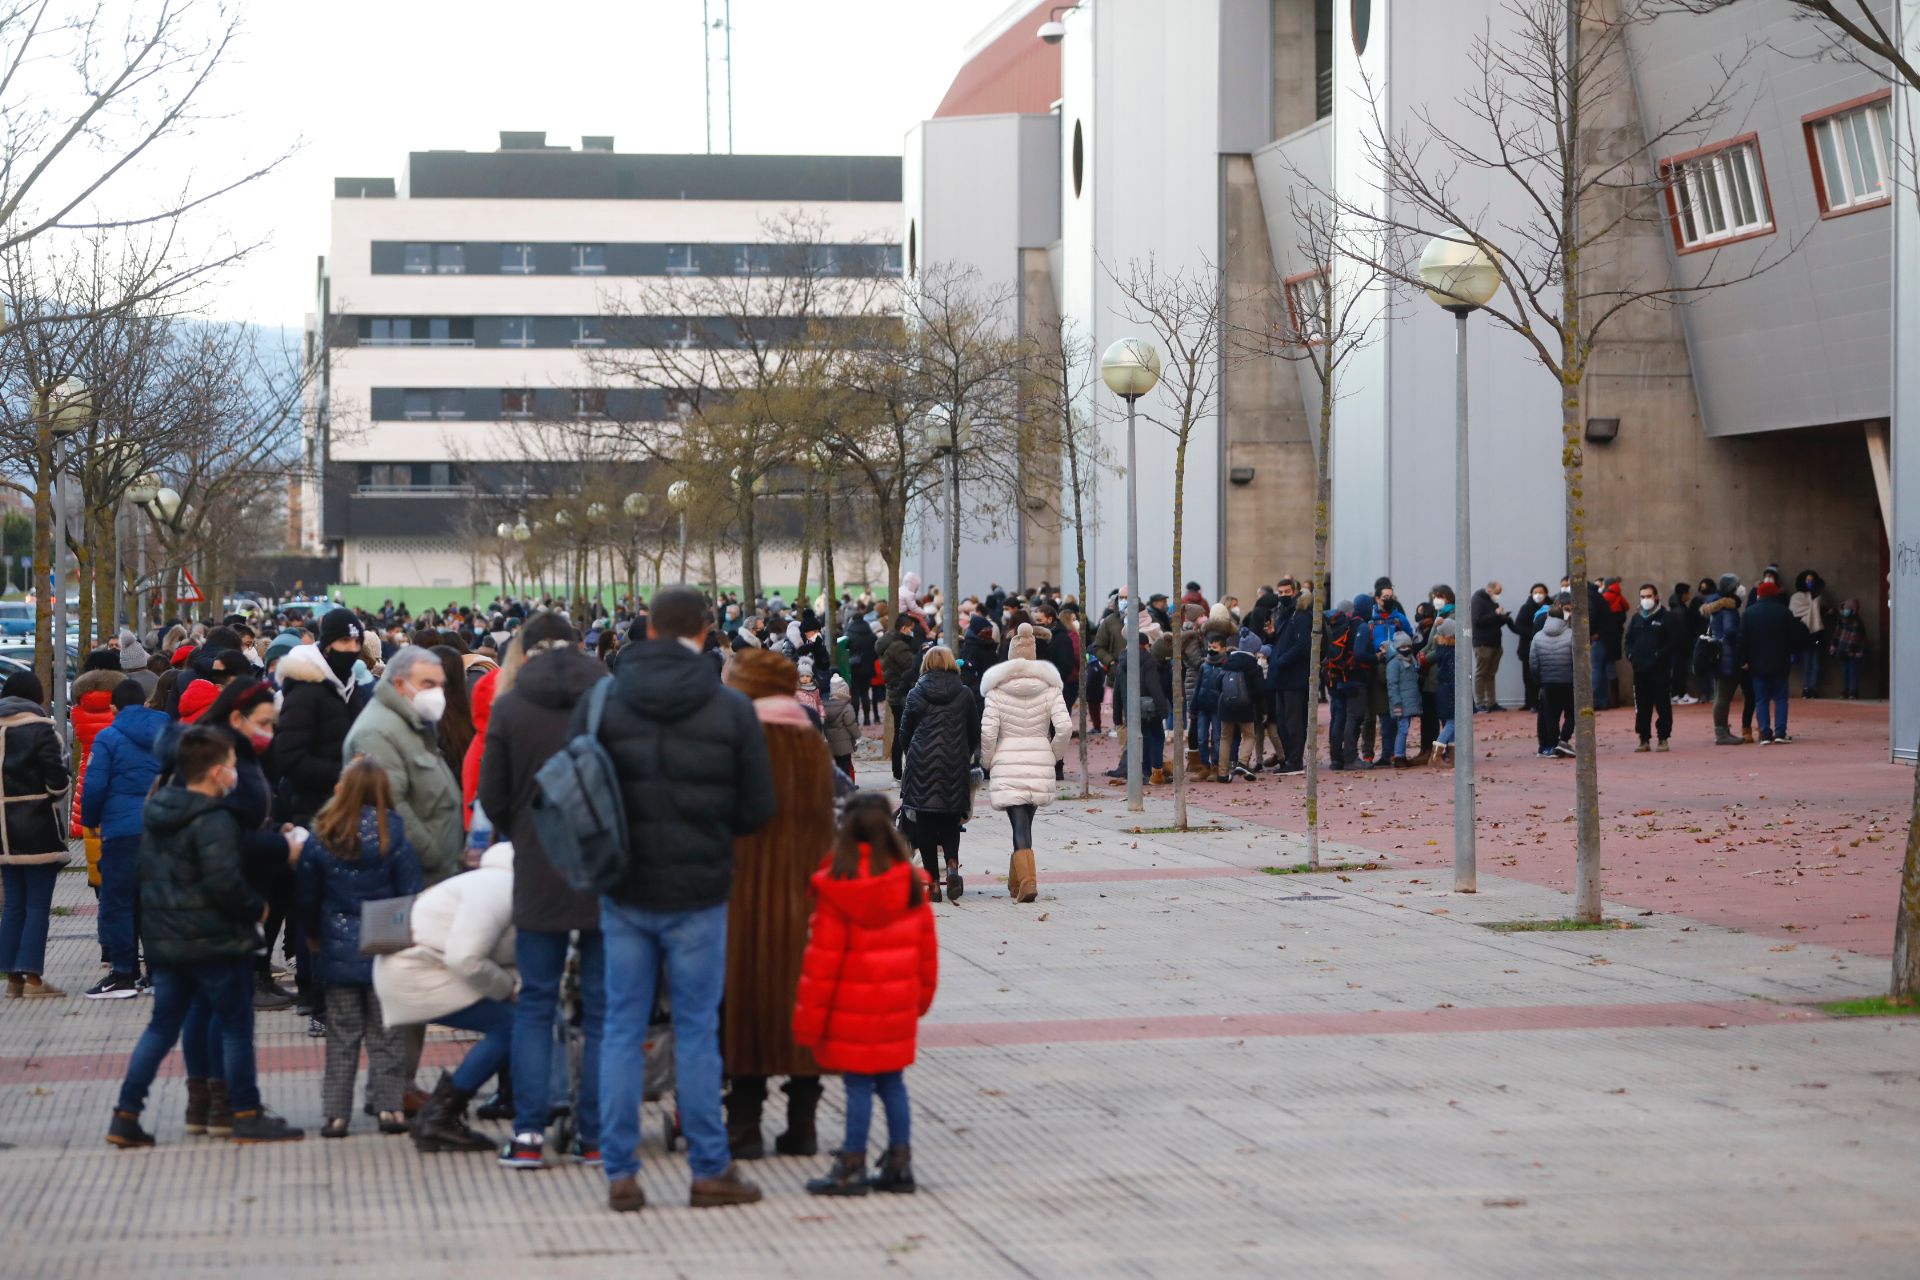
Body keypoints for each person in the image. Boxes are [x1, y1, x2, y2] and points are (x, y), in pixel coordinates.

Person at [592, 585, 775, 1213]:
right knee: (697, 1031)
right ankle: (708, 1168)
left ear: (646, 627)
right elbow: (757, 809)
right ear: (704, 631)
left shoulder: (607, 700)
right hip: (699, 889)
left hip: (623, 885)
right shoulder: (729, 708)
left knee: (620, 1027)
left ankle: (619, 1171)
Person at [106, 726, 303, 1147]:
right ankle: (246, 1112)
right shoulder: (214, 819)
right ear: (216, 772)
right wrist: (257, 908)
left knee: (161, 1028)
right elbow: (224, 881)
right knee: (235, 1026)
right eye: (231, 766)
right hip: (214, 939)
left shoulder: (158, 810)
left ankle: (126, 1114)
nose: (235, 773)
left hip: (166, 938)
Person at [475, 611, 610, 1169]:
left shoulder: (509, 706)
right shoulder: (608, 697)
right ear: (580, 645)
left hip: (536, 869)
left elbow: (494, 796)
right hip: (603, 867)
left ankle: (528, 1134)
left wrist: (526, 834)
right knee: (604, 1010)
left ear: (524, 651)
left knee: (535, 1003)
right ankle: (595, 1136)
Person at [714, 646, 836, 1162]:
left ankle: (743, 1128)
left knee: (744, 1006)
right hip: (807, 900)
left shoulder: (734, 740)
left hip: (741, 898)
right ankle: (802, 1127)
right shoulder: (812, 744)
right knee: (801, 1008)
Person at [794, 793, 938, 1196]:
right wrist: (918, 1003)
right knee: (893, 1086)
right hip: (895, 1010)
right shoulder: (911, 887)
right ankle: (899, 1162)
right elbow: (926, 956)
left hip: (849, 1012)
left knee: (857, 1087)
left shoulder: (838, 888)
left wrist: (808, 1025)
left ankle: (852, 1163)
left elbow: (820, 966)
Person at [298, 759, 423, 1138]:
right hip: (384, 945)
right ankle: (389, 1109)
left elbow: (307, 896)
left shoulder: (324, 833)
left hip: (337, 947)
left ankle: (335, 1115)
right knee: (387, 1036)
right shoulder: (394, 832)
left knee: (342, 1035)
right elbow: (410, 890)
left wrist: (314, 935)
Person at [372, 840, 516, 1155]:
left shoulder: (491, 880)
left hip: (418, 967)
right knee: (513, 1027)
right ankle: (440, 1115)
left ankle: (441, 1114)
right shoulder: (498, 888)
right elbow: (465, 958)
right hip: (417, 973)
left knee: (512, 1024)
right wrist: (509, 988)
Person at [343, 646, 463, 885]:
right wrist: (434, 855)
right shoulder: (377, 732)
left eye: (441, 685)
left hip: (433, 873)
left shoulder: (413, 721)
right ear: (399, 685)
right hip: (414, 877)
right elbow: (390, 807)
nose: (438, 694)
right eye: (428, 684)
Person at [80, 680, 167, 997]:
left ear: (114, 708)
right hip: (161, 829)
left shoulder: (108, 738)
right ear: (145, 703)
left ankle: (123, 974)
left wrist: (90, 822)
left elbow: (94, 786)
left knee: (119, 903)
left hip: (122, 832)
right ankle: (159, 975)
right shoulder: (166, 731)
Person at [978, 623, 1072, 904]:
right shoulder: (1051, 688)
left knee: (1018, 822)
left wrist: (988, 759)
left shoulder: (996, 690)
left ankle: (1028, 881)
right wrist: (1053, 753)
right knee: (1026, 820)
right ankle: (1017, 879)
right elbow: (1065, 727)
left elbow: (987, 732)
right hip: (1039, 754)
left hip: (1007, 758)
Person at [0, 671, 71, 999]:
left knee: (13, 903)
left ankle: (12, 976)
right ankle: (33, 977)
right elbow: (56, 782)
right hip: (36, 828)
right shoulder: (40, 729)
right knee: (38, 904)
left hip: (3, 833)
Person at [272, 613, 375, 826]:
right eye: (344, 641)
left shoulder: (350, 687)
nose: (352, 649)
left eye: (357, 642)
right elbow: (289, 758)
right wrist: (343, 773)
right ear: (327, 645)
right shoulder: (305, 692)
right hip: (313, 810)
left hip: (348, 805)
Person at [898, 647, 978, 902]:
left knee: (925, 826)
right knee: (950, 821)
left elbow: (904, 734)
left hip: (921, 763)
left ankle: (932, 885)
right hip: (953, 764)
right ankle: (952, 865)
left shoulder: (915, 694)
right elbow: (974, 732)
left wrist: (913, 751)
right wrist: (962, 752)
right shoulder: (964, 694)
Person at [1740, 579, 1807, 744]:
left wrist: (1744, 660)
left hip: (1757, 663)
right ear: (1775, 594)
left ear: (1759, 595)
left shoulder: (1749, 613)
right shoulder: (1784, 612)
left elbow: (1742, 640)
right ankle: (1780, 732)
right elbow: (1794, 636)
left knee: (1761, 699)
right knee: (1781, 698)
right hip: (1780, 662)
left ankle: (1765, 733)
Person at [1624, 583, 1678, 752]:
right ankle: (1644, 739)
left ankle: (1663, 738)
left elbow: (1673, 642)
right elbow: (1629, 640)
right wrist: (1631, 655)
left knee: (1662, 705)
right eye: (1642, 596)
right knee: (1642, 706)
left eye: (1648, 596)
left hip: (1659, 670)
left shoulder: (1666, 617)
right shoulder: (1637, 617)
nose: (1646, 600)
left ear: (1656, 597)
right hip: (1640, 670)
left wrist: (1659, 656)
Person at [1702, 574, 1747, 747]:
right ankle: (1721, 732)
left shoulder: (1716, 606)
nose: (1741, 588)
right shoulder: (1728, 607)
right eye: (1738, 585)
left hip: (1718, 653)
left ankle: (1722, 730)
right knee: (1723, 695)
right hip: (1728, 655)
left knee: (1721, 693)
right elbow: (1730, 631)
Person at [880, 612, 925, 778]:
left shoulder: (894, 643)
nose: (912, 632)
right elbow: (913, 666)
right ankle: (899, 772)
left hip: (896, 692)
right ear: (904, 628)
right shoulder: (898, 646)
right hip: (901, 694)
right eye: (911, 629)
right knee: (903, 733)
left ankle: (898, 772)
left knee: (902, 732)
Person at [1532, 600, 1576, 759]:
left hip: (1548, 682)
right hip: (1568, 681)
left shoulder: (1538, 637)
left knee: (1551, 715)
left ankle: (1552, 744)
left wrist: (1540, 680)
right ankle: (1563, 739)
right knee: (1572, 713)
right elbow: (1575, 659)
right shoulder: (1571, 634)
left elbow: (1533, 662)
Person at [1468, 581, 1509, 712]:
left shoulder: (1491, 601)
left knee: (1491, 674)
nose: (1498, 596)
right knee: (1481, 673)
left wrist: (1502, 618)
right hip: (1483, 643)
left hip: (1495, 642)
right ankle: (1480, 702)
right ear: (1489, 590)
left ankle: (1492, 702)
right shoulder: (1477, 600)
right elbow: (1477, 620)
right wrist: (1495, 614)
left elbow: (1492, 622)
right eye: (1497, 593)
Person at [1789, 570, 1828, 697]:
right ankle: (1806, 687)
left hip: (1816, 635)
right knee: (1806, 663)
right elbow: (1794, 613)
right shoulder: (1797, 597)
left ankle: (1813, 688)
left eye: (1811, 580)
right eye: (1807, 580)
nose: (1809, 582)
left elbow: (1821, 613)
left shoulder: (1817, 596)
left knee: (1815, 663)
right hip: (1803, 634)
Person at [1386, 635, 1422, 768]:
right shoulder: (1394, 663)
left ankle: (1401, 755)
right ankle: (1399, 756)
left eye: (1408, 646)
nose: (1406, 649)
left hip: (1409, 702)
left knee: (1404, 729)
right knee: (1402, 729)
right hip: (1400, 704)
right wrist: (1396, 704)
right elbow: (1392, 685)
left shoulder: (1411, 660)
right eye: (1403, 647)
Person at [1515, 584, 1549, 712]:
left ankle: (1543, 702)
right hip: (1528, 647)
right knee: (1528, 677)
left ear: (1546, 593)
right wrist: (1533, 634)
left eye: (1541, 592)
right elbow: (1519, 626)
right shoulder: (1526, 608)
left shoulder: (1551, 607)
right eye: (1535, 592)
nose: (1538, 595)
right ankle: (1530, 702)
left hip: (1547, 647)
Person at [822, 674, 860, 779]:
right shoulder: (847, 707)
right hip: (845, 745)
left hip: (832, 744)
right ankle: (846, 786)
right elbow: (851, 724)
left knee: (836, 766)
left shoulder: (826, 706)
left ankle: (836, 786)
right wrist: (857, 736)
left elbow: (824, 724)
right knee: (845, 766)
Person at [1830, 599, 1868, 699]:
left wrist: (1860, 651)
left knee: (1853, 670)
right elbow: (1837, 633)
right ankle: (1845, 690)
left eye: (1848, 609)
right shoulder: (1841, 619)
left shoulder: (1857, 622)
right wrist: (1834, 645)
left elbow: (1861, 638)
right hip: (1842, 649)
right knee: (1845, 671)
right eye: (1845, 608)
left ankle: (1853, 691)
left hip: (1853, 650)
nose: (1846, 610)